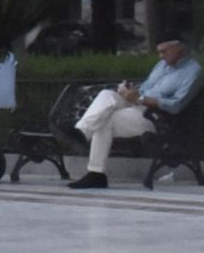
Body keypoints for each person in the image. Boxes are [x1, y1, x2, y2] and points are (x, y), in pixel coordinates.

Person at [69, 36, 202, 190]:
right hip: (138, 105)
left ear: (178, 48)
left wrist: (141, 99)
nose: (161, 56)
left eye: (164, 52)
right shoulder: (161, 65)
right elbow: (146, 87)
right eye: (159, 52)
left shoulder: (193, 72)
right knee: (107, 95)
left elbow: (176, 105)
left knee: (105, 118)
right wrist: (130, 90)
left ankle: (95, 172)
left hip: (158, 117)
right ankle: (82, 132)